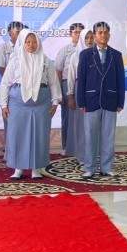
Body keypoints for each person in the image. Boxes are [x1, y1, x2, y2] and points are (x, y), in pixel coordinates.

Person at [0, 29, 61, 179]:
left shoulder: (46, 60)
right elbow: (5, 83)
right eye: (28, 42)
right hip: (18, 103)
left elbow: (54, 82)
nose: (31, 45)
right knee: (17, 134)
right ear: (22, 43)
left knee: (39, 134)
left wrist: (55, 102)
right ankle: (18, 169)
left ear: (38, 43)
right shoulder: (15, 60)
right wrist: (4, 104)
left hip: (41, 103)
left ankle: (36, 169)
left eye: (34, 42)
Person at [75, 22, 125, 178]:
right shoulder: (85, 55)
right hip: (91, 101)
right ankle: (89, 168)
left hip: (111, 100)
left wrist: (120, 102)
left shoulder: (116, 55)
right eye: (100, 32)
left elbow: (121, 80)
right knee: (90, 135)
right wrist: (81, 102)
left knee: (108, 135)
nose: (103, 35)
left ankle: (106, 167)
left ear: (109, 35)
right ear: (95, 35)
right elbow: (81, 79)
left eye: (105, 32)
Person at [0, 21, 26, 151]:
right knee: (9, 118)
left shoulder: (27, 46)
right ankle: (9, 150)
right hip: (8, 88)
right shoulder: (3, 47)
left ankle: (23, 148)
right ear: (10, 33)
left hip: (23, 89)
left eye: (22, 32)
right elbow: (0, 66)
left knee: (22, 121)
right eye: (17, 32)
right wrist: (12, 80)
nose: (20, 34)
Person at [65, 28, 94, 165]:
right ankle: (82, 155)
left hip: (95, 92)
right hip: (80, 91)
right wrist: (70, 96)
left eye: (91, 37)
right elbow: (71, 77)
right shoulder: (75, 56)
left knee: (94, 123)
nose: (89, 40)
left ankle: (93, 154)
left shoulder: (98, 54)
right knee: (81, 125)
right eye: (86, 38)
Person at [55, 23, 84, 155]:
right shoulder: (65, 50)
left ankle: (82, 146)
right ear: (70, 34)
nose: (78, 35)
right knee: (67, 117)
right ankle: (66, 146)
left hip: (84, 86)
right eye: (75, 32)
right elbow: (58, 71)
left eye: (80, 32)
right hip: (67, 84)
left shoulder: (89, 48)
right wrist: (59, 92)